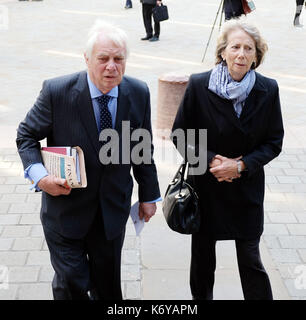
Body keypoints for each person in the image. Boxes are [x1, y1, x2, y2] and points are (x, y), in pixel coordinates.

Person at [16, 20, 161, 300]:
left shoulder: (138, 92)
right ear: (87, 59)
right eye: (103, 59)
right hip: (65, 210)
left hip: (111, 212)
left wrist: (149, 195)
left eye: (119, 59)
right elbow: (26, 136)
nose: (111, 66)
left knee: (107, 287)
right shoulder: (56, 92)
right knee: (72, 281)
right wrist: (41, 178)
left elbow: (142, 149)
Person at [171, 20, 284, 300]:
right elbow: (180, 134)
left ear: (257, 55)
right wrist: (212, 162)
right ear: (223, 52)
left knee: (251, 260)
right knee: (202, 261)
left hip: (246, 190)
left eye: (249, 48)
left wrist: (241, 165)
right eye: (235, 47)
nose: (241, 54)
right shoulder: (199, 85)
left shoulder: (268, 90)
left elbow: (274, 141)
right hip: (206, 189)